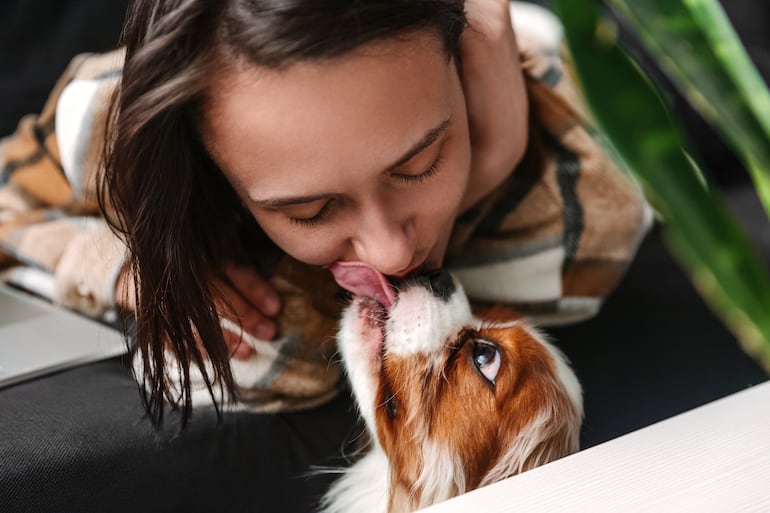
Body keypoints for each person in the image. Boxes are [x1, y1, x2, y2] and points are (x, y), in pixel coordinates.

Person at [0, 0, 649, 426]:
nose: (393, 254)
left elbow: (300, 356)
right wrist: (126, 268)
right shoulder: (109, 128)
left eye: (419, 163)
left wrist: (494, 158)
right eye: (309, 209)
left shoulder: (581, 207)